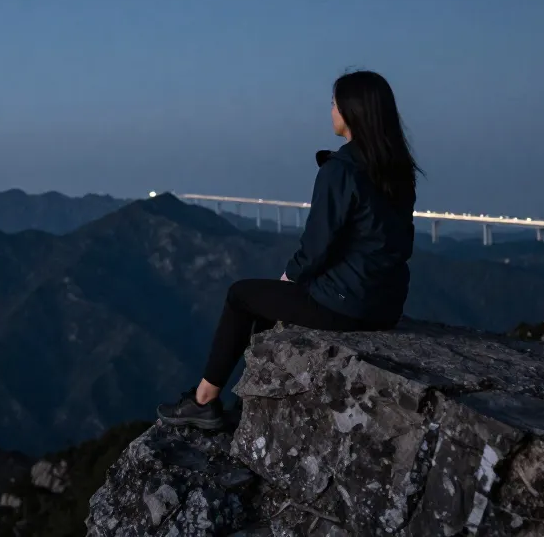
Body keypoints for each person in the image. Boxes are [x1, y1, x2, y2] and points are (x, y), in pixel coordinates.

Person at [157, 69, 421, 430]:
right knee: (266, 303)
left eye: (334, 104)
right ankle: (249, 395)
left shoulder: (340, 170)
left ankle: (204, 400)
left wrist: (291, 275)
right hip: (386, 306)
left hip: (346, 306)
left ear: (350, 111)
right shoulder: (398, 171)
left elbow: (318, 243)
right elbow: (397, 241)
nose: (330, 111)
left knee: (241, 295)